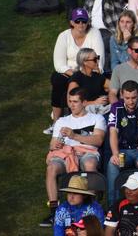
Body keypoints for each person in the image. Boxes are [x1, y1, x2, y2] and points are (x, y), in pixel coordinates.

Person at [42, 88, 106, 227]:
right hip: (66, 153)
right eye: (70, 101)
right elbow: (52, 144)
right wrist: (56, 144)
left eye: (75, 102)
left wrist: (74, 136)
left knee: (89, 164)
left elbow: (98, 141)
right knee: (51, 168)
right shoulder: (62, 121)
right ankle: (54, 211)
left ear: (84, 102)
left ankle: (90, 209)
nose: (71, 105)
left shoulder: (97, 118)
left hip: (87, 152)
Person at [49, 9, 105, 128]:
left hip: (89, 69)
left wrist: (92, 70)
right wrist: (75, 74)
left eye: (84, 21)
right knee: (57, 80)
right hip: (70, 71)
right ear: (72, 23)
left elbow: (99, 58)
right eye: (77, 21)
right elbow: (58, 64)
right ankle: (56, 122)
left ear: (88, 22)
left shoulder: (94, 33)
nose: (81, 24)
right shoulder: (64, 36)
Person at [106, 80, 138, 206]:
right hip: (123, 152)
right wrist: (115, 154)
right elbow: (113, 133)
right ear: (121, 95)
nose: (131, 101)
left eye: (134, 97)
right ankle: (113, 206)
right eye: (127, 98)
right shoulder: (116, 107)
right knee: (112, 164)